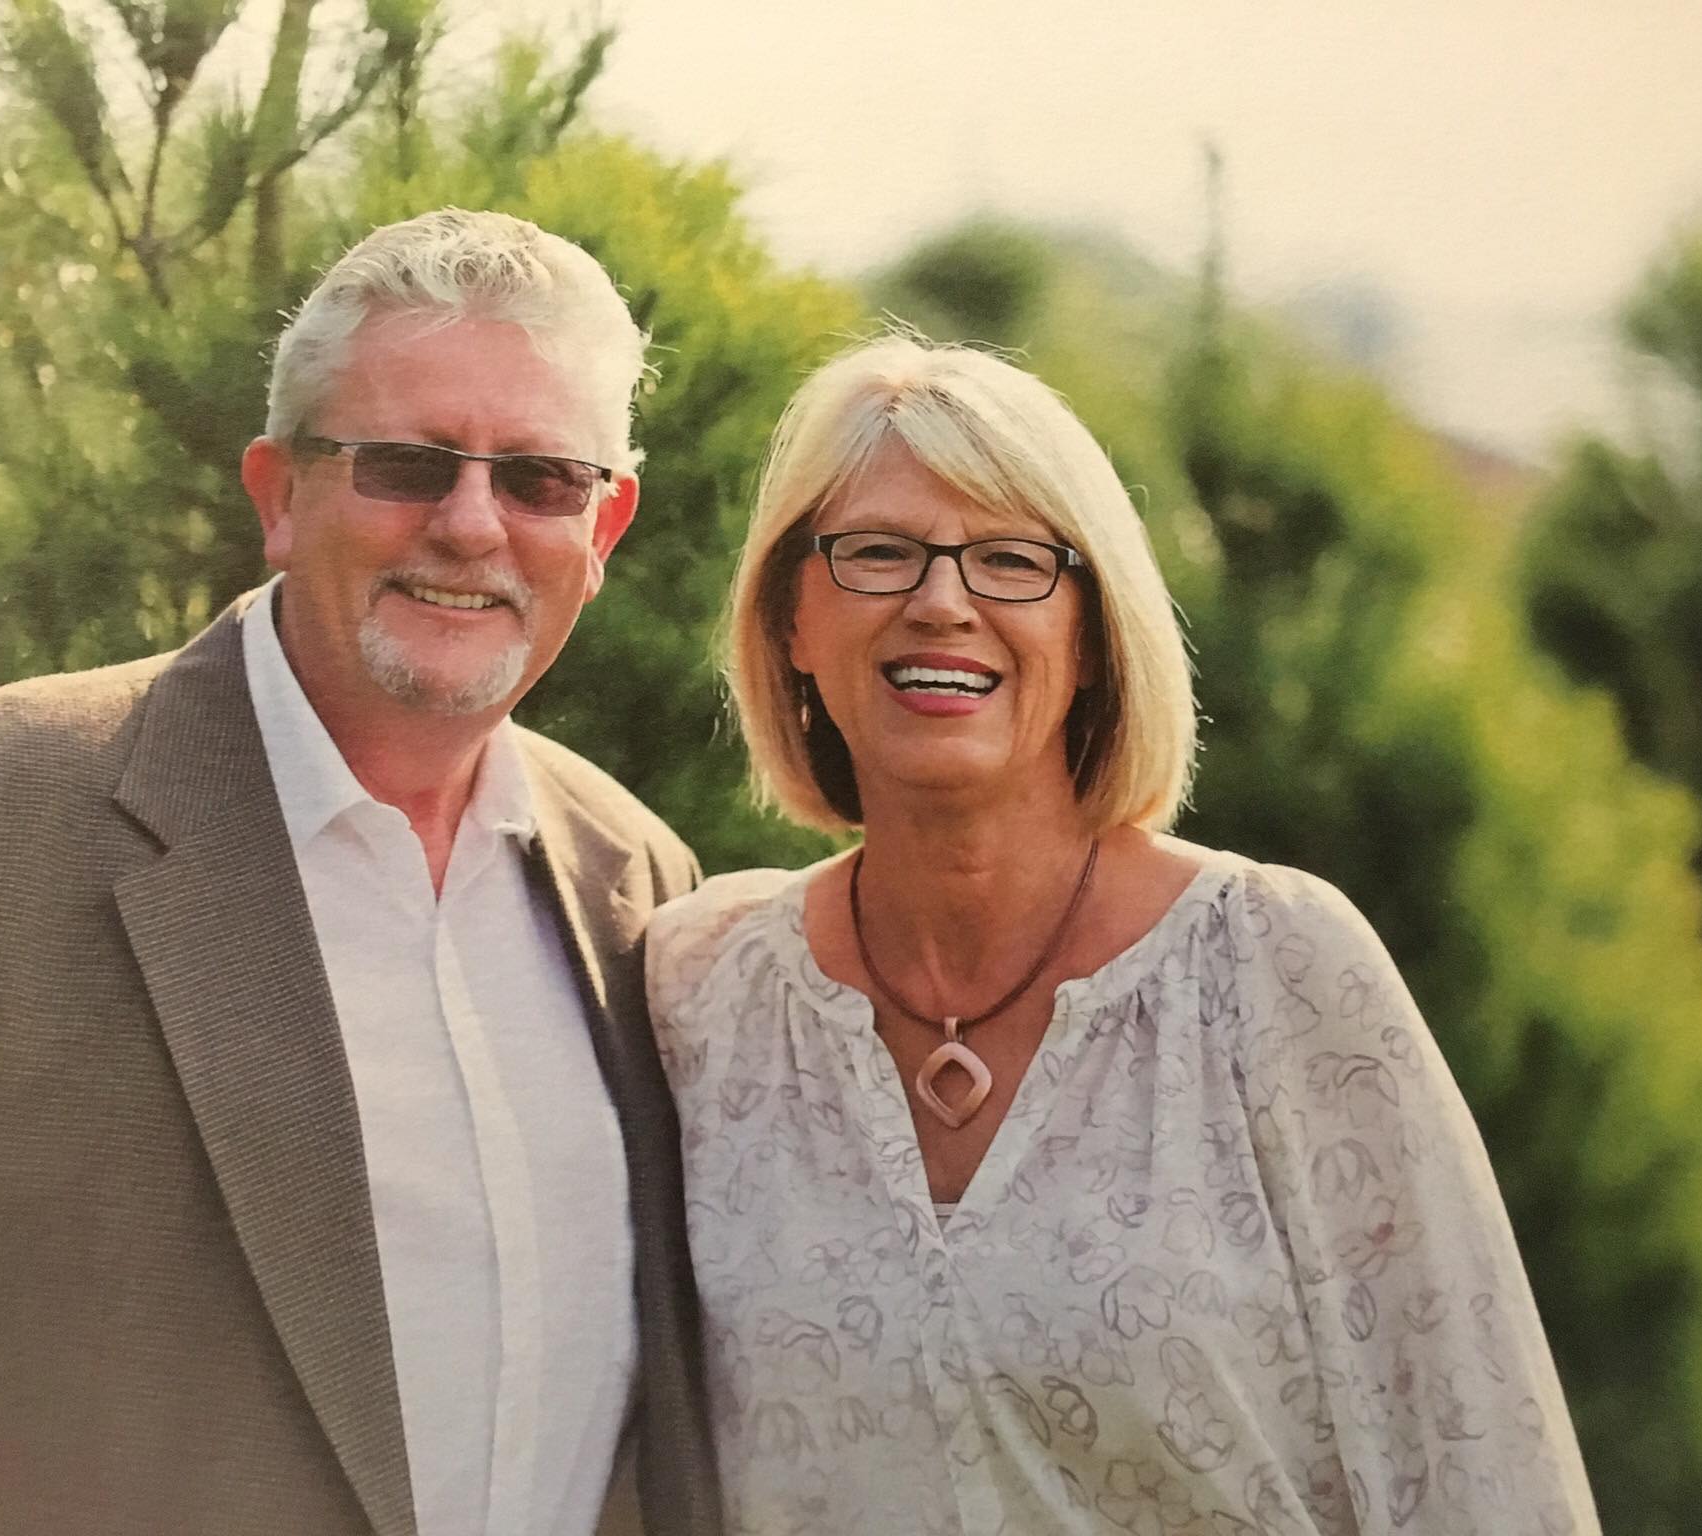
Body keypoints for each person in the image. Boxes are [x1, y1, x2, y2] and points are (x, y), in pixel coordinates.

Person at [0, 209, 719, 1536]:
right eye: (405, 465)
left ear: (603, 525)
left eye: (540, 480)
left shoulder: (638, 880)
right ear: (277, 496)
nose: (471, 525)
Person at [647, 334, 1600, 1535]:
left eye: (1009, 560)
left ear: (1095, 635)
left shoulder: (1271, 967)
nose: (940, 602)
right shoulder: (701, 990)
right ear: (789, 614)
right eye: (877, 552)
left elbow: (1477, 1464)